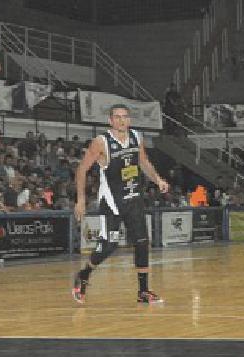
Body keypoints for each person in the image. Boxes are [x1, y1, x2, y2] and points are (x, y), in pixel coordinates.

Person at [70, 104, 170, 304]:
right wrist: (81, 200)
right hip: (112, 202)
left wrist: (157, 179)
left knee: (142, 243)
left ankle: (143, 291)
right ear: (110, 120)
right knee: (109, 245)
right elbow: (81, 170)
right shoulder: (101, 142)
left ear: (129, 120)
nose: (121, 120)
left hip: (133, 198)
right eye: (117, 117)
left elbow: (143, 162)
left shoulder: (136, 137)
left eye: (125, 117)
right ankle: (84, 274)